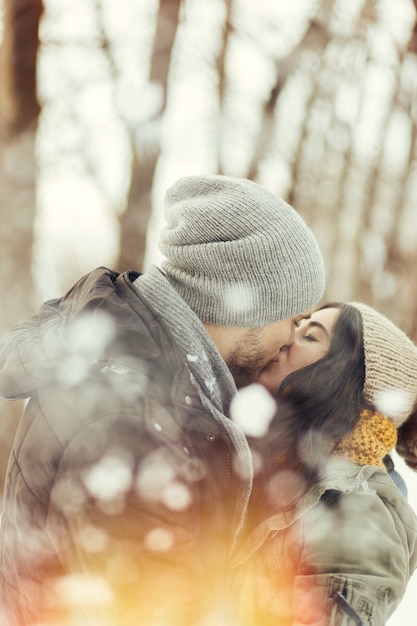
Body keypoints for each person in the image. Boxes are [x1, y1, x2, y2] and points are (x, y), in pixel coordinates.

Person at [0, 174, 325, 625]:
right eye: (293, 317)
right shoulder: (133, 423)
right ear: (244, 308)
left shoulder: (142, 361)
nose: (294, 335)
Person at [229, 301, 417, 626]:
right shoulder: (274, 462)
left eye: (310, 336)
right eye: (299, 325)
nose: (287, 337)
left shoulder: (358, 515)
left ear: (345, 382)